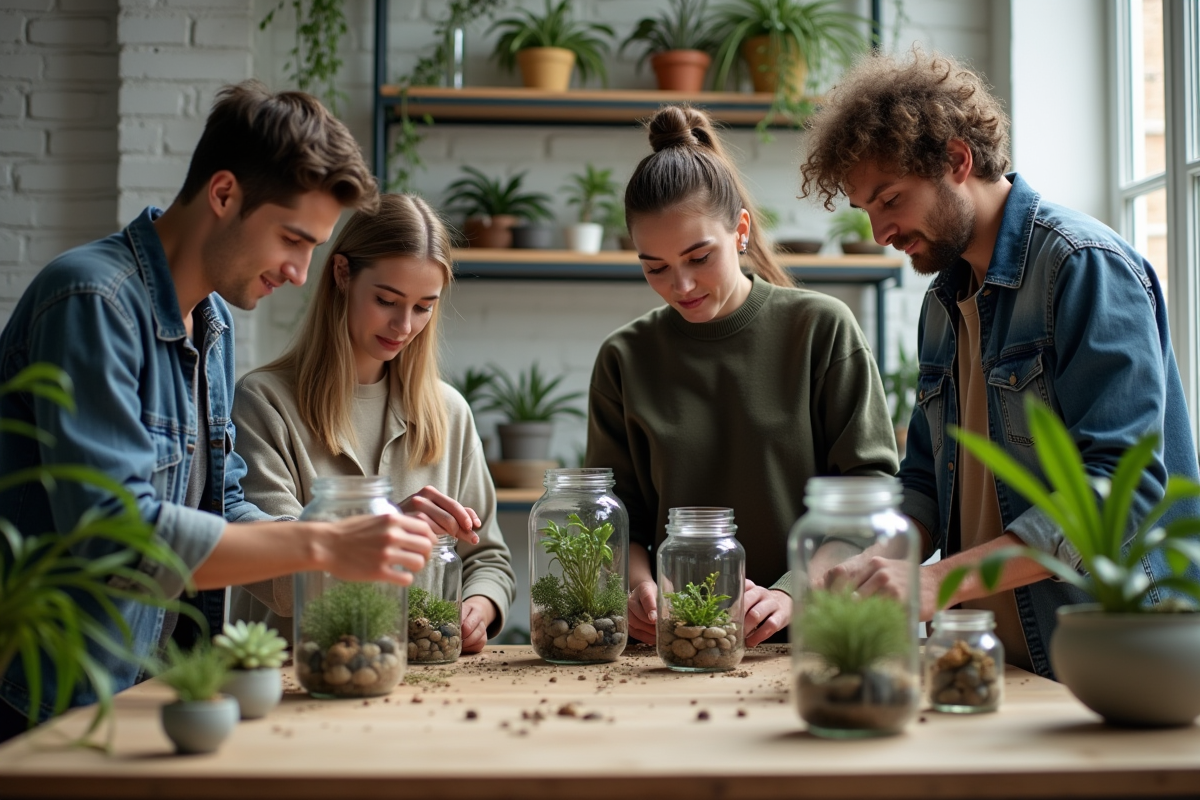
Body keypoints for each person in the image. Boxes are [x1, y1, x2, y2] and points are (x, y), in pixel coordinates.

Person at [0, 81, 439, 738]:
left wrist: (357, 531)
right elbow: (114, 537)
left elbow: (223, 509)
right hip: (49, 704)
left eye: (313, 248)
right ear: (225, 194)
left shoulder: (211, 324)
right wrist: (325, 542)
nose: (300, 272)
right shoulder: (91, 300)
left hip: (153, 685)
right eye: (293, 238)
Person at [798, 49, 1200, 678]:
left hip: (1104, 658)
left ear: (958, 161)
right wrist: (869, 559)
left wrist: (939, 583)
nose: (880, 231)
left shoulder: (1082, 265)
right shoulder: (943, 301)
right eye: (867, 210)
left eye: (891, 199)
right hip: (990, 661)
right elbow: (926, 482)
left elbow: (1121, 487)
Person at [586, 105, 899, 648]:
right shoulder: (624, 357)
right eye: (654, 266)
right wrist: (639, 589)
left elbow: (868, 489)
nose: (680, 284)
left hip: (818, 640)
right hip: (680, 647)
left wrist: (791, 594)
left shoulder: (820, 329)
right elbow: (619, 513)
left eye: (698, 256)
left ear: (740, 232)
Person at [229, 194, 516, 650]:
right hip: (296, 683)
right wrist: (382, 522)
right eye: (387, 300)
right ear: (342, 274)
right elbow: (274, 580)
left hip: (418, 682)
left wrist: (480, 606)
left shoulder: (449, 412)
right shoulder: (263, 403)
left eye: (424, 306)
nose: (404, 325)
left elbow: (488, 557)